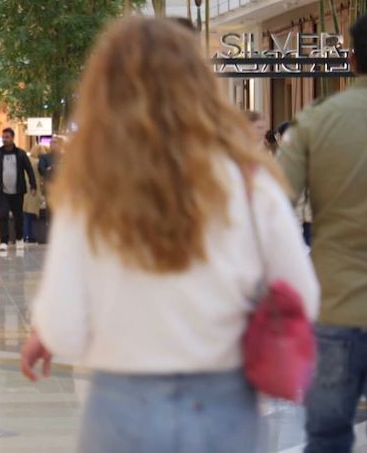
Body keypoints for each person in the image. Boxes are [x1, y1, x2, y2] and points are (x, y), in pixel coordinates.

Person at [20, 18, 319, 453]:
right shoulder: (252, 184)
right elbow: (302, 296)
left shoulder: (92, 190)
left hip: (122, 406)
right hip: (227, 403)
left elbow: (64, 329)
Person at [278, 14, 367, 453]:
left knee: (329, 435)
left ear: (352, 59)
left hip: (336, 306)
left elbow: (273, 205)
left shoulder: (316, 120)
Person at [0, 127, 37, 252]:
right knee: (2, 215)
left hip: (17, 191)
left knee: (18, 216)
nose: (4, 140)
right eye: (3, 137)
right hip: (2, 191)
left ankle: (19, 238)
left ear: (12, 138)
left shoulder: (20, 154)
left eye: (7, 137)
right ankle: (3, 241)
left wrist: (33, 185)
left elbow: (29, 170)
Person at [22, 144, 45, 243]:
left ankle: (25, 234)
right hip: (34, 189)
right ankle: (29, 235)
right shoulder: (39, 162)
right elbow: (42, 176)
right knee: (31, 214)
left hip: (24, 189)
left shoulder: (26, 160)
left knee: (26, 213)